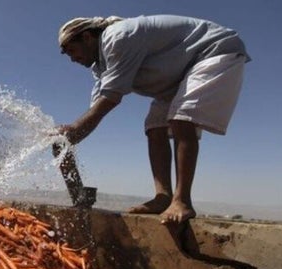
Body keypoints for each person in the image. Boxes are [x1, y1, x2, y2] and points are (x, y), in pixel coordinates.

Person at [56, 15, 250, 224]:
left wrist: (77, 128)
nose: (73, 60)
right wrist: (70, 136)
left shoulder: (118, 36)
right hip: (178, 76)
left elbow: (111, 97)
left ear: (86, 37)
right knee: (155, 127)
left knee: (181, 120)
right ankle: (162, 198)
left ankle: (182, 200)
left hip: (211, 51)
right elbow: (96, 106)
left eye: (72, 52)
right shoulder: (100, 66)